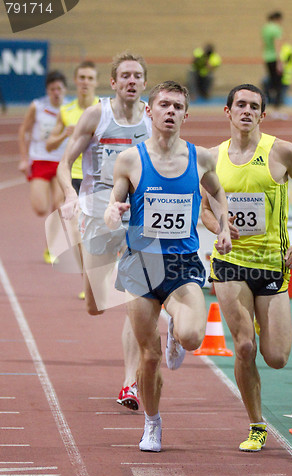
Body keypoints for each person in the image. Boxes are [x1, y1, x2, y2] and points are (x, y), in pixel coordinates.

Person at [104, 80, 232, 452]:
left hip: (181, 265)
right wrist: (115, 212)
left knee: (193, 337)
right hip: (139, 266)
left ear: (186, 116)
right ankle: (152, 423)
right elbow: (113, 211)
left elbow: (218, 194)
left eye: (178, 107)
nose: (171, 112)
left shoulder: (201, 157)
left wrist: (223, 227)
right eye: (164, 105)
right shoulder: (130, 159)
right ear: (150, 111)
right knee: (149, 356)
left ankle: (176, 328)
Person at [201, 83, 292, 452]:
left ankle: (260, 319)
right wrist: (221, 228)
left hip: (273, 265)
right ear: (227, 111)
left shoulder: (281, 151)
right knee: (243, 347)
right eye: (240, 104)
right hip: (230, 264)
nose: (246, 111)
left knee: (276, 357)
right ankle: (257, 425)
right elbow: (205, 210)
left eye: (254, 106)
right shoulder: (211, 158)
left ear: (262, 114)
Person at [56, 52, 152, 410]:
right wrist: (68, 194)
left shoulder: (153, 117)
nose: (130, 81)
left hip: (139, 214)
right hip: (97, 212)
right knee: (95, 305)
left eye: (137, 76)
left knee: (134, 296)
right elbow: (65, 163)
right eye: (124, 75)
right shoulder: (97, 114)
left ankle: (130, 384)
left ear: (144, 83)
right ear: (113, 83)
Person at [47, 60, 99, 298]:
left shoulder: (104, 110)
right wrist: (62, 136)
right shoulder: (66, 112)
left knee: (99, 234)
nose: (85, 82)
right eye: (82, 78)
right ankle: (88, 284)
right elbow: (49, 144)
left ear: (96, 82)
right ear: (76, 82)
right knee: (78, 235)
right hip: (75, 178)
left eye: (90, 78)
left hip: (99, 178)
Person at [18, 70, 68, 263]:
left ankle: (51, 248)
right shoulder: (37, 106)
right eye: (52, 89)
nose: (56, 92)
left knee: (58, 207)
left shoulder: (70, 108)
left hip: (61, 161)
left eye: (59, 89)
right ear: (47, 90)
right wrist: (24, 159)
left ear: (64, 90)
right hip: (39, 159)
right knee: (40, 208)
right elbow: (23, 131)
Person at [261, 11, 284, 118]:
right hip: (274, 58)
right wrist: (280, 62)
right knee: (278, 85)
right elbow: (277, 45)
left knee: (271, 83)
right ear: (277, 19)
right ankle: (276, 110)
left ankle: (270, 106)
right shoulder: (276, 29)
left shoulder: (265, 28)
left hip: (267, 57)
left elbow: (264, 44)